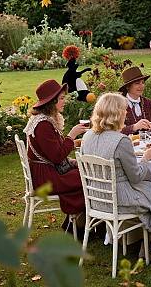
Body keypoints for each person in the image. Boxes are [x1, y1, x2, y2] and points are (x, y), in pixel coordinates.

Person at [81, 92, 151, 245]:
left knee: (148, 187)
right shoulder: (121, 140)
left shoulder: (87, 136)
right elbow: (136, 177)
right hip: (117, 199)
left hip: (95, 198)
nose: (126, 113)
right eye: (124, 110)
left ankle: (140, 239)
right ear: (117, 113)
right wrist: (146, 158)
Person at [23, 79, 88, 219]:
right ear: (52, 102)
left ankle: (81, 221)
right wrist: (72, 135)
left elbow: (53, 149)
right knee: (88, 176)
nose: (64, 101)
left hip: (47, 171)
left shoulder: (44, 120)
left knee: (85, 171)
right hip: (45, 178)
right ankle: (81, 221)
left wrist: (73, 147)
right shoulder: (43, 125)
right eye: (61, 98)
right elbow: (57, 156)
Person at [119, 66, 151, 135]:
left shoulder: (147, 103)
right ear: (128, 86)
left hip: (147, 143)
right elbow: (114, 131)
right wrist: (134, 127)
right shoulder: (118, 104)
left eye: (143, 82)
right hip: (125, 143)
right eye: (137, 83)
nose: (141, 86)